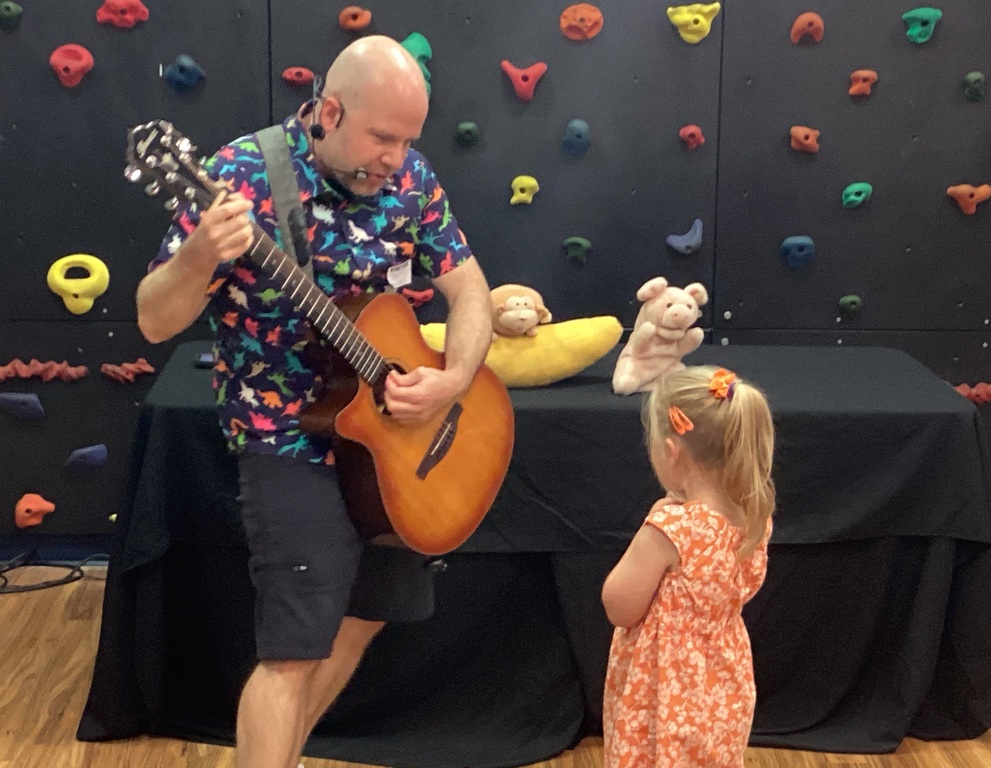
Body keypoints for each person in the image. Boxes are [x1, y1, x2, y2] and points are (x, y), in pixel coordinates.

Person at [134, 35, 494, 768]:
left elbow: (471, 292)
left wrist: (454, 378)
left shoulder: (411, 179)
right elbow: (153, 320)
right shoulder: (240, 174)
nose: (395, 158)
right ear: (329, 112)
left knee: (364, 617)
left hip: (391, 444)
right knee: (293, 651)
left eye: (408, 141)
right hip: (286, 438)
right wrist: (200, 255)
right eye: (382, 138)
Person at [600, 366, 776, 767]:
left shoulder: (671, 528)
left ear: (671, 450)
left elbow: (619, 606)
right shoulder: (754, 515)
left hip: (666, 687)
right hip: (723, 682)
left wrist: (652, 524)